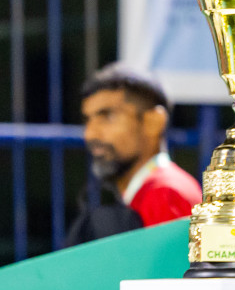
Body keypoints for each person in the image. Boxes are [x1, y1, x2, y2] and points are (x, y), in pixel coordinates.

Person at [68, 63, 202, 244]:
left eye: (107, 116)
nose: (90, 134)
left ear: (153, 122)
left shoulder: (166, 193)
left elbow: (163, 271)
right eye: (87, 120)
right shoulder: (152, 191)